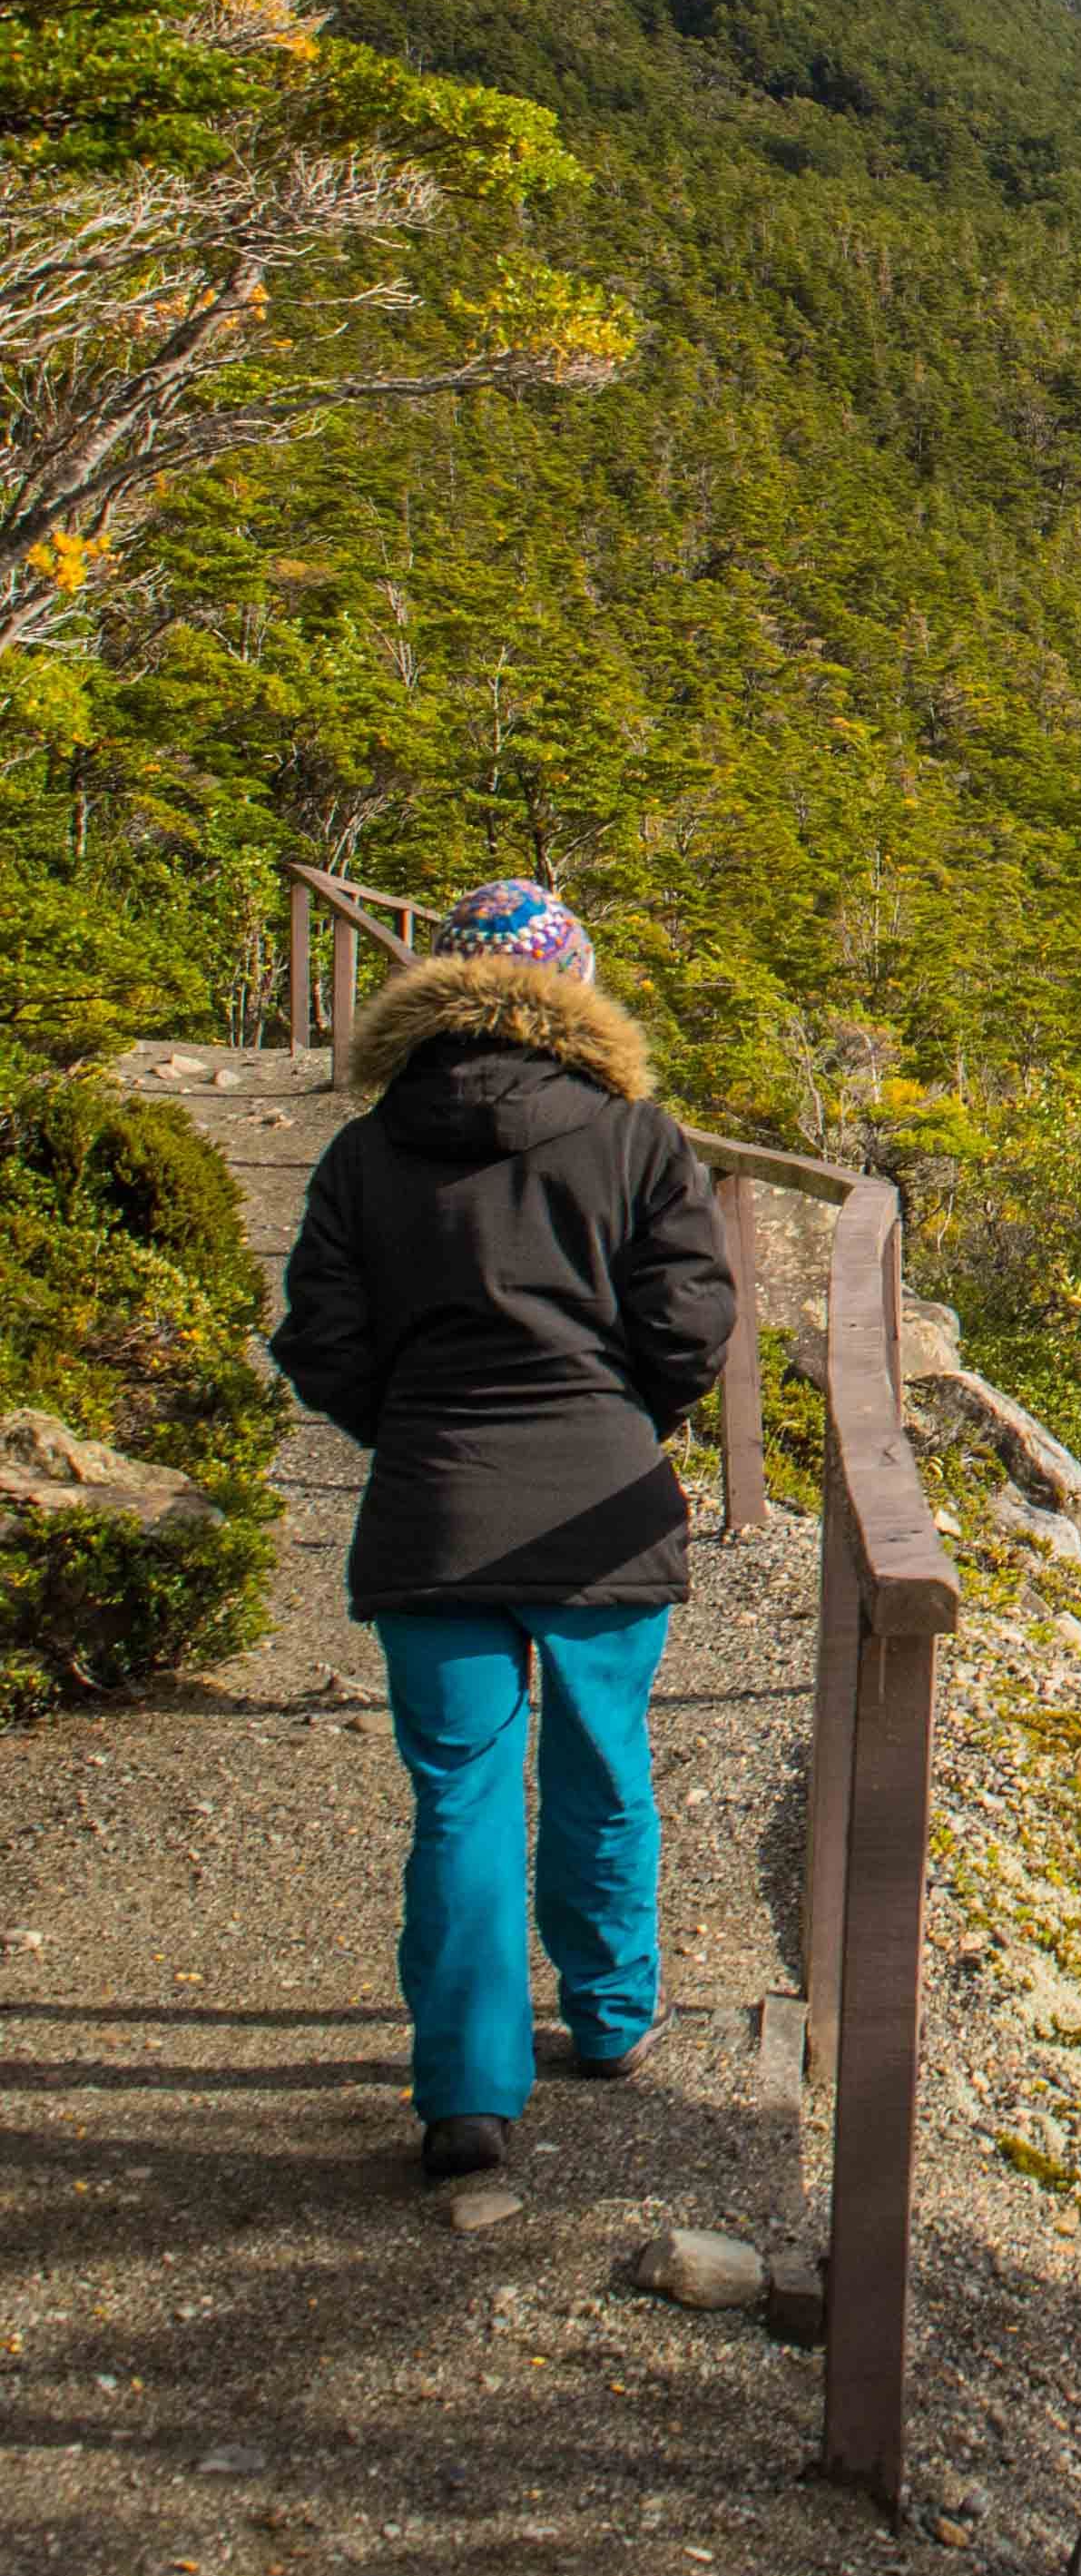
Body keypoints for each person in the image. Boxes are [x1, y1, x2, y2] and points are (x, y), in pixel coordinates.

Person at [274, 879, 736, 2186]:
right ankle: (612, 2016)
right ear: (574, 990)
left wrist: (410, 1425)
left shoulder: (365, 1150)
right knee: (604, 1766)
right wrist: (625, 1418)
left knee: (460, 1794)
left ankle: (469, 2095)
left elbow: (321, 1335)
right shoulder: (637, 1138)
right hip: (601, 1514)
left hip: (433, 1511)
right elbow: (693, 1323)